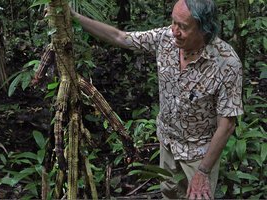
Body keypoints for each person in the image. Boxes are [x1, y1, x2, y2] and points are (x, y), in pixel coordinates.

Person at [48, 0, 243, 199]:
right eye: (173, 22)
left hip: (199, 155)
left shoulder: (226, 63)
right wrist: (75, 16)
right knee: (170, 194)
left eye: (182, 27)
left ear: (205, 29)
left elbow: (226, 125)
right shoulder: (165, 38)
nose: (174, 30)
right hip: (167, 143)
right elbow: (120, 37)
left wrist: (203, 171)